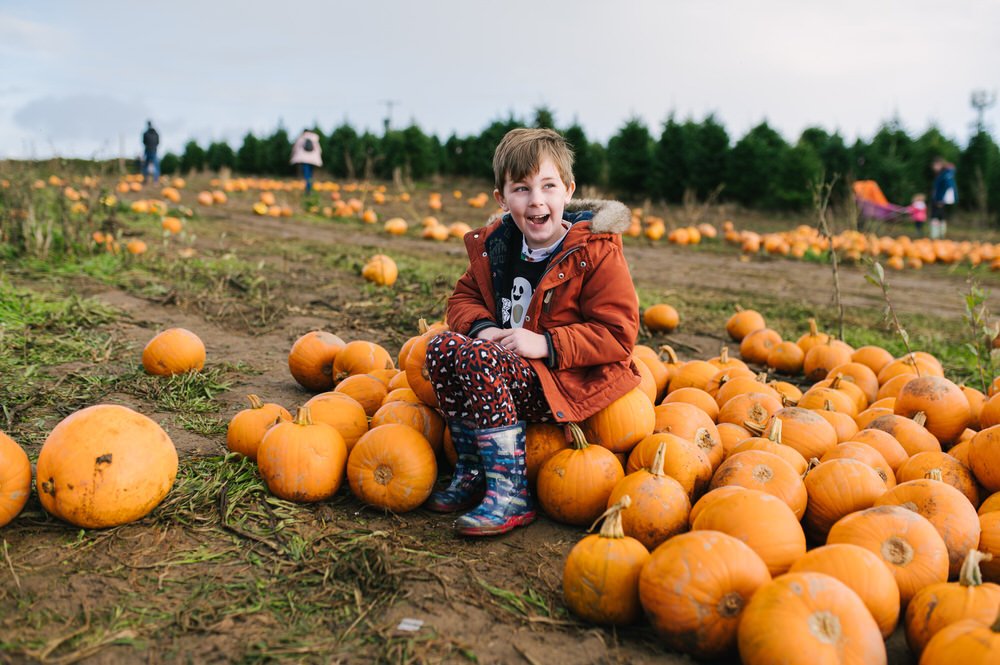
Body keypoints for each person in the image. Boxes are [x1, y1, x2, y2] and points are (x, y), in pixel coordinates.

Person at [423, 128, 639, 536]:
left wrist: (544, 343)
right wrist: (484, 328)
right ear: (502, 200)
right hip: (503, 369)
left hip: (561, 380)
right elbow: (462, 300)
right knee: (439, 347)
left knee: (477, 358)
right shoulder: (500, 248)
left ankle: (511, 492)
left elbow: (618, 334)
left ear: (568, 191)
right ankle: (471, 469)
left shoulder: (594, 253)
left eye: (548, 186)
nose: (536, 200)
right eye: (522, 189)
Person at [930, 157, 957, 239]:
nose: (933, 167)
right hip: (939, 198)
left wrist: (942, 200)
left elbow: (948, 187)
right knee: (940, 216)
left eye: (935, 165)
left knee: (936, 216)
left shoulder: (945, 174)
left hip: (941, 199)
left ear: (940, 164)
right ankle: (939, 235)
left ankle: (936, 236)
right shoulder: (943, 174)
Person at [290, 129, 323, 195]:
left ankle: (308, 189)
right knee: (310, 174)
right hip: (313, 160)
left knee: (306, 174)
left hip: (304, 159)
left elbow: (295, 148)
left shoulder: (301, 138)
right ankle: (310, 187)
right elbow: (319, 150)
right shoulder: (315, 138)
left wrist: (292, 156)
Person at [141, 121, 159, 185]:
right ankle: (155, 181)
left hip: (147, 150)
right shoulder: (156, 133)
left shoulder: (145, 133)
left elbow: (143, 142)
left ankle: (146, 179)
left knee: (145, 165)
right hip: (154, 150)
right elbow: (158, 142)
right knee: (156, 166)